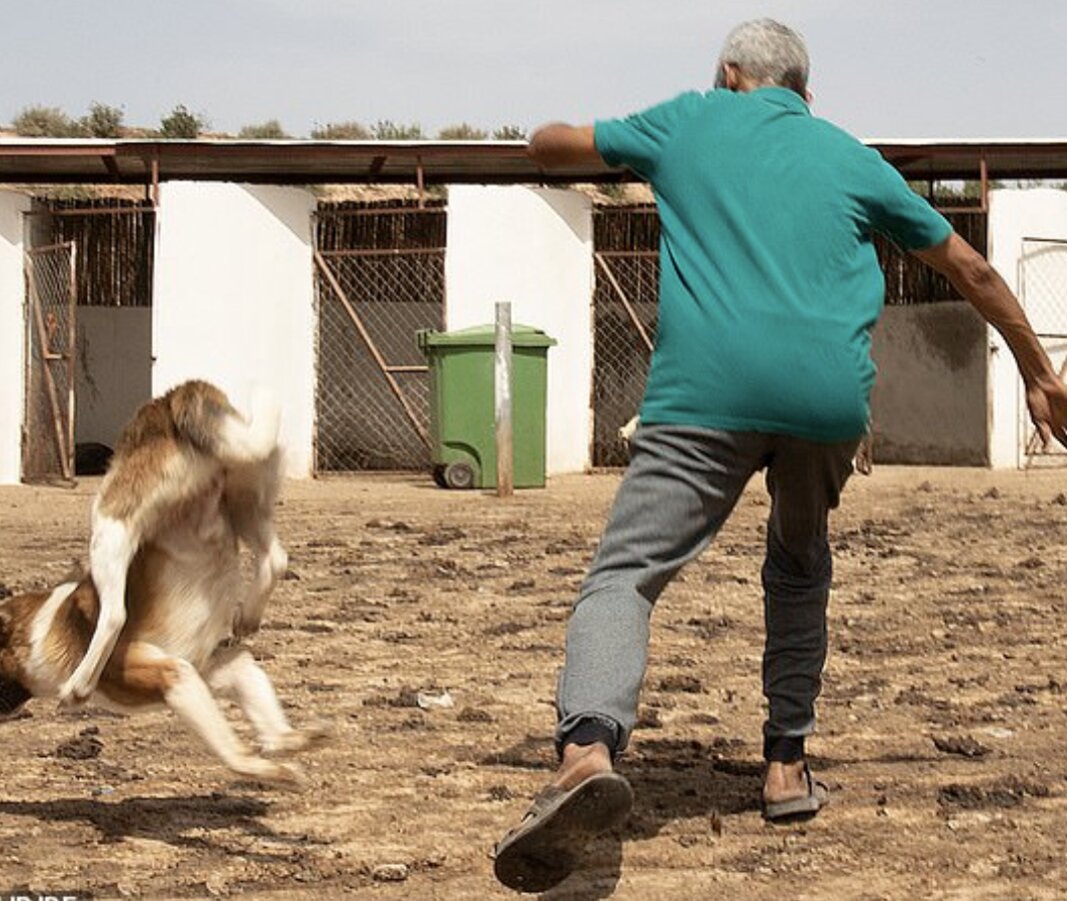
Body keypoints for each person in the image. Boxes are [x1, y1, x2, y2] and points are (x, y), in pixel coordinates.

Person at [492, 17, 1067, 894]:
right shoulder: (849, 156)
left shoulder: (687, 120)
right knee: (798, 564)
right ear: (806, 92)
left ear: (727, 73)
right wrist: (1038, 372)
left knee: (625, 576)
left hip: (704, 399)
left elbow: (550, 145)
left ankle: (585, 752)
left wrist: (557, 138)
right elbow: (972, 271)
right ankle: (786, 765)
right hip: (825, 405)